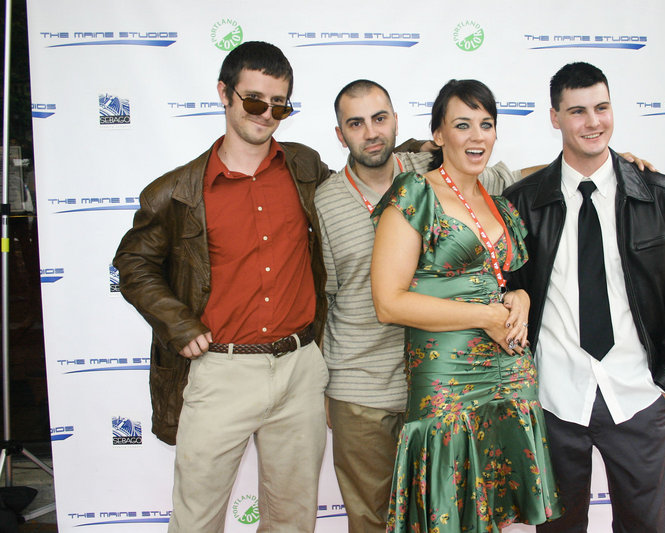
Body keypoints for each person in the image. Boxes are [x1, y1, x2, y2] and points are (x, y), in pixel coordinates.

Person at [113, 41, 331, 533]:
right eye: (254, 100)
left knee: (293, 520)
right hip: (220, 373)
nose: (267, 114)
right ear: (224, 95)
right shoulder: (176, 191)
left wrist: (416, 150)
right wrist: (177, 320)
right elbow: (132, 262)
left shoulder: (305, 169)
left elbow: (360, 185)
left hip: (300, 369)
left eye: (280, 105)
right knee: (197, 520)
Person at [503, 62, 665, 532]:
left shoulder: (660, 195)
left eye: (601, 107)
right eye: (577, 111)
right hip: (553, 397)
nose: (593, 122)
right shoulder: (522, 202)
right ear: (555, 118)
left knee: (650, 527)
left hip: (637, 393)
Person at [370, 79, 563, 532]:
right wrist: (484, 317)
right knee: (448, 512)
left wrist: (520, 296)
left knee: (505, 517)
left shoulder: (501, 205)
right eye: (463, 125)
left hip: (512, 375)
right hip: (448, 380)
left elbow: (503, 284)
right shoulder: (414, 193)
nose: (477, 136)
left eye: (486, 124)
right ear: (439, 134)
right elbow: (388, 303)